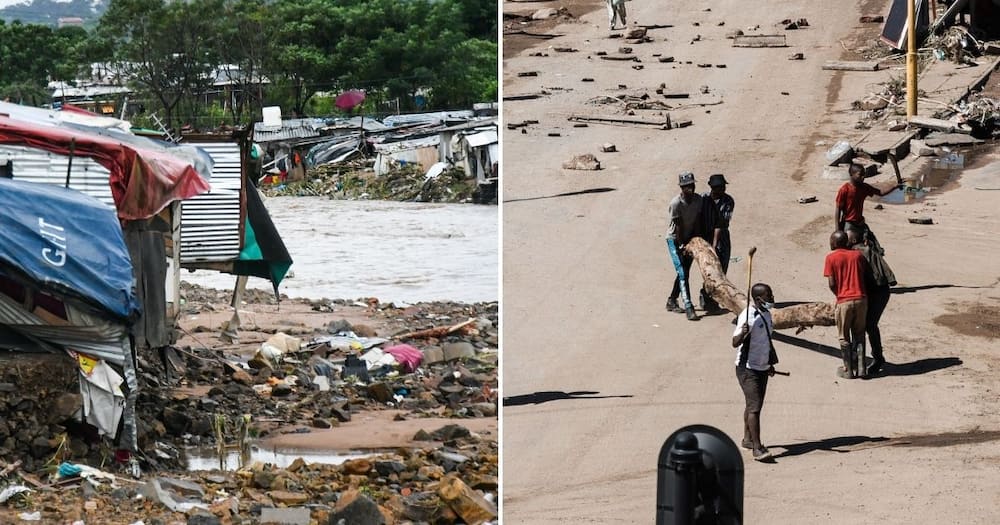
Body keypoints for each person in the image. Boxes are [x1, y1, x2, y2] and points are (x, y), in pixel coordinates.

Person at [732, 282, 778, 462]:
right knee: (755, 408)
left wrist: (769, 364)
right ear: (758, 299)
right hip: (747, 369)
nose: (772, 298)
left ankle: (748, 439)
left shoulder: (766, 314)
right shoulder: (747, 316)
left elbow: (765, 341)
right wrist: (742, 333)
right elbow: (735, 343)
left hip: (762, 367)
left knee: (752, 405)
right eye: (769, 296)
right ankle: (757, 448)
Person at [666, 171, 721, 321]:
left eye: (692, 185)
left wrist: (696, 239)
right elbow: (678, 226)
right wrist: (681, 245)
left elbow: (696, 220)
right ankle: (689, 306)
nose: (690, 188)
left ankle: (671, 300)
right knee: (683, 273)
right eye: (686, 186)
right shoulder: (676, 203)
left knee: (684, 271)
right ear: (681, 188)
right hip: (675, 240)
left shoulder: (698, 200)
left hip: (690, 238)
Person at [848, 229, 895, 375]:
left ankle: (875, 358)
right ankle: (865, 360)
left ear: (854, 241)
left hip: (876, 292)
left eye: (847, 239)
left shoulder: (858, 253)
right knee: (866, 325)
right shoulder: (867, 250)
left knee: (867, 324)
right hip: (879, 291)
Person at [823, 230, 869, 379]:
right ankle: (862, 368)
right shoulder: (857, 255)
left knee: (844, 337)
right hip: (862, 299)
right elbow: (865, 274)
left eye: (831, 240)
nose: (830, 243)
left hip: (844, 300)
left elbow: (831, 283)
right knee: (860, 334)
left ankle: (848, 369)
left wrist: (839, 294)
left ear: (836, 243)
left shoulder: (831, 258)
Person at [834, 162, 900, 256]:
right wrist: (837, 230)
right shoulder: (845, 190)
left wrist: (895, 187)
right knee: (847, 250)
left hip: (860, 223)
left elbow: (880, 192)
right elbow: (838, 209)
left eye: (863, 175)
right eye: (860, 175)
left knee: (875, 249)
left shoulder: (864, 187)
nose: (863, 177)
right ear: (851, 175)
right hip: (849, 224)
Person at [700, 174, 734, 313]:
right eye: (719, 187)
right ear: (712, 188)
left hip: (722, 240)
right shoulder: (703, 199)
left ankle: (712, 299)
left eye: (723, 186)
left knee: (721, 270)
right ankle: (706, 297)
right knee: (708, 270)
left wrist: (714, 246)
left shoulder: (728, 201)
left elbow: (721, 224)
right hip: (704, 236)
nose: (722, 189)